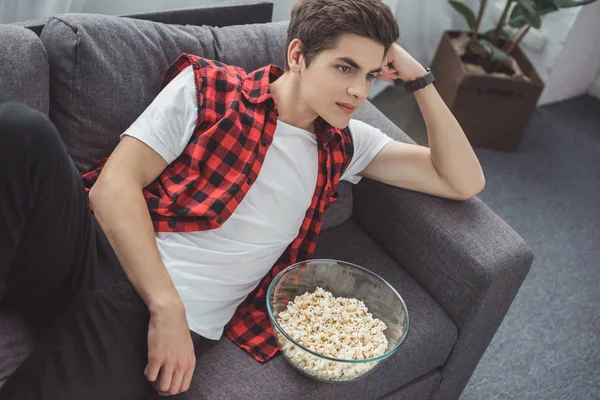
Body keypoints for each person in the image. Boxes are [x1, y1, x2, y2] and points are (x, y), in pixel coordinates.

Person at [0, 0, 485, 398]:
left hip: (142, 319)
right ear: (298, 54)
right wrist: (166, 306)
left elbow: (461, 181)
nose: (358, 90)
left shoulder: (348, 143)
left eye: (371, 75)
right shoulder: (207, 89)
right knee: (22, 131)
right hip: (97, 252)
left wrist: (420, 79)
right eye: (344, 67)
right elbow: (112, 187)